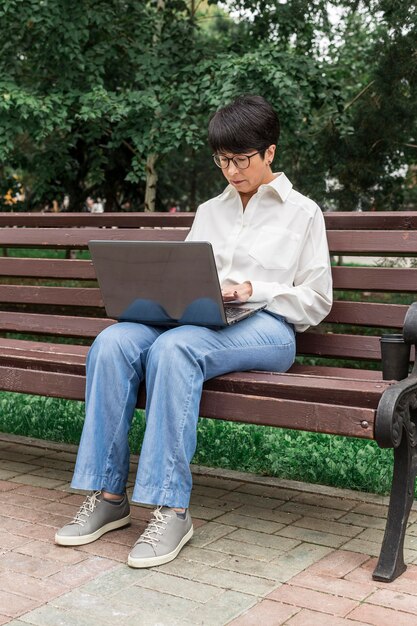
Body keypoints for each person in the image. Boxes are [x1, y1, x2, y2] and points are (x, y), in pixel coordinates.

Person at [55, 94, 333, 568]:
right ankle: (108, 497)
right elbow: (186, 276)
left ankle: (172, 509)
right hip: (200, 320)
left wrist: (252, 288)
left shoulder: (303, 213)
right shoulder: (210, 211)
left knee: (175, 349)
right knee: (114, 342)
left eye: (241, 159)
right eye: (222, 160)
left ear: (269, 152)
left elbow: (317, 299)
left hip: (270, 328)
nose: (231, 170)